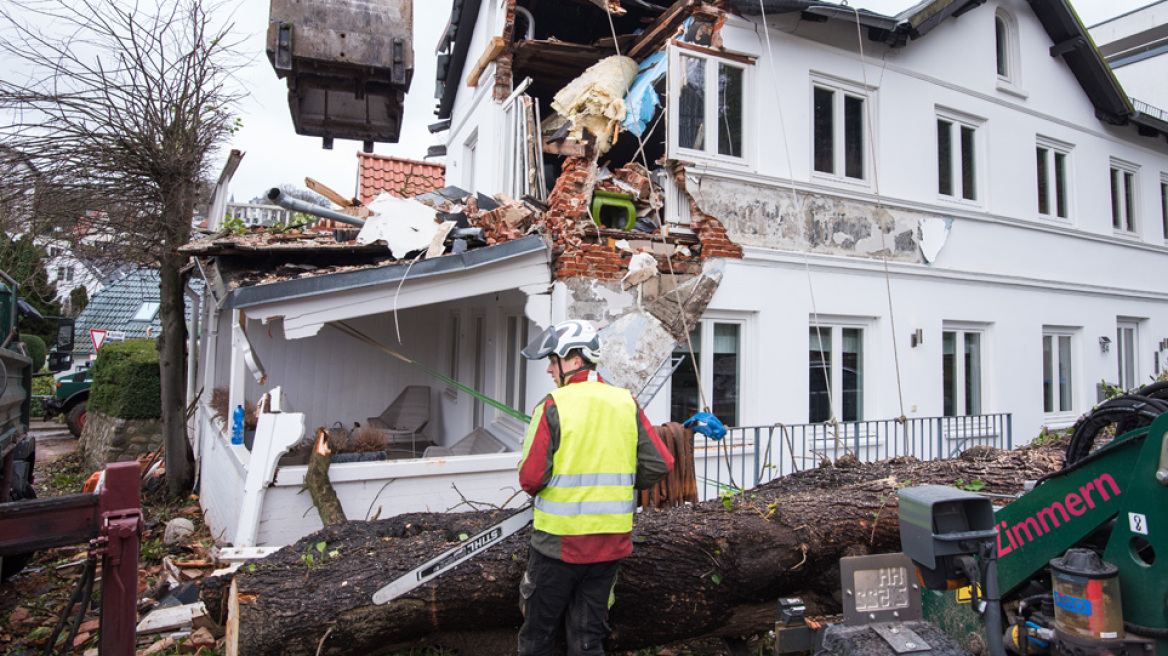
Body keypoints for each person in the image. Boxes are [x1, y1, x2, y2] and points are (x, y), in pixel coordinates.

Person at [516, 319, 674, 656]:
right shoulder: (625, 402)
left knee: (537, 638)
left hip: (557, 545)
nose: (548, 370)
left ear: (574, 360)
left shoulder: (552, 406)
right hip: (610, 545)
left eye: (552, 360)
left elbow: (531, 479)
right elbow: (661, 464)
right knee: (588, 641)